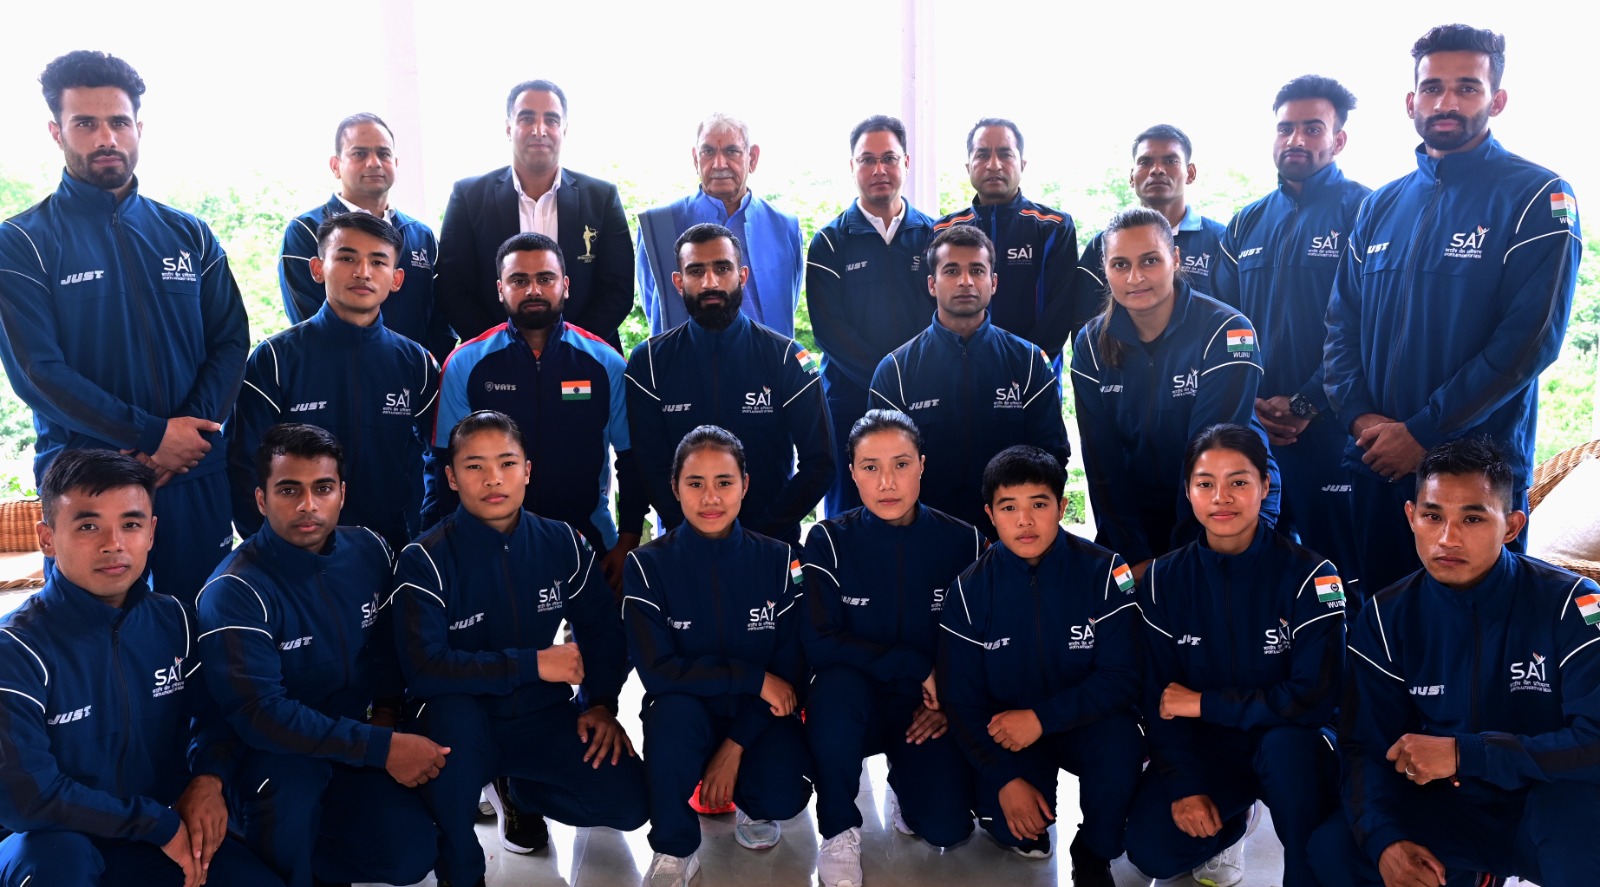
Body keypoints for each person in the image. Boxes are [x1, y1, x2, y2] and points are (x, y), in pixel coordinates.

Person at [1322, 24, 1582, 596]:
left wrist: (1423, 431)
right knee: (1382, 625)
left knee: (1480, 641)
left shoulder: (1538, 197)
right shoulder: (1380, 205)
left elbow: (1528, 341)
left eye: (1467, 87)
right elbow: (1342, 326)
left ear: (1497, 99)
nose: (1446, 102)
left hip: (1476, 473)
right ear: (1410, 101)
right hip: (1377, 465)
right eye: (1433, 87)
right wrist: (1363, 421)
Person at [0, 50, 248, 605]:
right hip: (85, 482)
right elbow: (39, 373)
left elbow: (230, 341)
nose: (104, 137)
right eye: (85, 123)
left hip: (192, 473)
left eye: (117, 122)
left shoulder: (190, 235)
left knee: (202, 628)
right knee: (91, 638)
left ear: (139, 127)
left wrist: (187, 439)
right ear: (56, 131)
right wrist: (149, 437)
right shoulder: (22, 243)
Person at [1308, 437, 1600, 887]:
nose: (1448, 538)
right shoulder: (1387, 615)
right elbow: (1363, 744)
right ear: (1411, 517)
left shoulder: (1573, 605)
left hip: (1548, 801)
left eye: (1472, 518)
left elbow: (1594, 742)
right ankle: (1472, 874)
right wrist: (1384, 841)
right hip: (1449, 807)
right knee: (1334, 850)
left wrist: (1467, 754)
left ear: (1511, 526)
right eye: (1432, 516)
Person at [0, 449, 281, 887]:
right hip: (53, 843)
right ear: (47, 537)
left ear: (151, 533)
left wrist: (209, 778)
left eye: (130, 524)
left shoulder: (176, 620)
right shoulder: (15, 648)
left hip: (153, 832)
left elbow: (216, 720)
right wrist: (156, 824)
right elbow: (27, 799)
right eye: (88, 525)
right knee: (58, 859)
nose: (113, 544)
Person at [392, 411, 647, 887]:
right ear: (450, 476)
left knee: (629, 803)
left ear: (528, 470)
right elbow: (425, 668)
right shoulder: (423, 559)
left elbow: (603, 630)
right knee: (452, 737)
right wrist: (532, 663)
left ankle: (521, 792)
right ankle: (462, 863)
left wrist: (600, 703)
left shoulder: (563, 542)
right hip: (460, 722)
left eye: (507, 463)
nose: (493, 478)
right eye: (474, 466)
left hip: (539, 713)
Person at [198, 424, 440, 887]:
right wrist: (381, 747)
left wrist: (388, 714)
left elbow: (389, 648)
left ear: (342, 494)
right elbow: (260, 715)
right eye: (289, 490)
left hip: (350, 737)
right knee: (292, 798)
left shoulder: (370, 550)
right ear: (261, 500)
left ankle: (313, 855)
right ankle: (260, 847)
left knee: (410, 855)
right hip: (269, 754)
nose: (308, 505)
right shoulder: (235, 590)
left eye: (322, 488)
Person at [1125, 424, 1344, 887]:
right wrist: (1186, 786)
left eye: (1239, 482)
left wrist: (1205, 702)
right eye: (1206, 483)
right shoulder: (1165, 579)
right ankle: (1235, 818)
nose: (1221, 497)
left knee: (1289, 756)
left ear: (1266, 486)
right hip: (1213, 746)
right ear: (1188, 491)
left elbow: (1314, 698)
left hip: (1291, 741)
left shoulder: (1312, 577)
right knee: (1153, 850)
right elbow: (1158, 698)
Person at [938, 446, 1142, 886]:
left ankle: (1093, 848)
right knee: (1016, 833)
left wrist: (1042, 718)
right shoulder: (969, 591)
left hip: (1086, 722)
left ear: (1062, 507)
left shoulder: (1105, 572)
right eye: (1009, 507)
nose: (1025, 521)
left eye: (1039, 505)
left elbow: (1123, 678)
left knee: (1123, 743)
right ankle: (1018, 799)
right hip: (1009, 731)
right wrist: (1005, 777)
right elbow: (960, 700)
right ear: (990, 514)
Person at [802, 410, 985, 887]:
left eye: (901, 464)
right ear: (853, 473)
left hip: (923, 705)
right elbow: (819, 642)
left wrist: (951, 702)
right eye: (870, 467)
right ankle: (840, 828)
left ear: (922, 465)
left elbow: (982, 641)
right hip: (854, 697)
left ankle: (905, 780)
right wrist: (911, 662)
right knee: (834, 692)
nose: (887, 482)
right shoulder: (827, 540)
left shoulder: (963, 540)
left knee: (947, 827)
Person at [623, 426, 813, 887]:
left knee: (783, 794)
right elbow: (659, 672)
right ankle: (674, 848)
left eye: (724, 482)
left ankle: (749, 798)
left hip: (758, 718)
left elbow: (790, 674)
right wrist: (750, 677)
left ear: (745, 485)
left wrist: (734, 748)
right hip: (686, 713)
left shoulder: (782, 560)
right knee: (670, 715)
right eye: (695, 483)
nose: (711, 497)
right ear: (675, 488)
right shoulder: (647, 566)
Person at [1212, 75, 1370, 601]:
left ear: (1338, 139)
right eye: (1285, 128)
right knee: (1264, 569)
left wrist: (1307, 401)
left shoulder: (1368, 213)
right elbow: (1225, 324)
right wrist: (1248, 401)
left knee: (1341, 571)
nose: (1296, 140)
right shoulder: (1246, 222)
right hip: (1255, 429)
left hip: (1333, 432)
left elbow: (1370, 327)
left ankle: (1345, 675)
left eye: (1312, 128)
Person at [1071, 207, 1281, 581]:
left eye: (1149, 260)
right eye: (1120, 264)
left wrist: (1177, 563)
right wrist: (1133, 553)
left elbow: (1211, 457)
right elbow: (1102, 462)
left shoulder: (1230, 331)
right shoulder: (1090, 341)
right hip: (1136, 508)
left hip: (1223, 499)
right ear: (1105, 269)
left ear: (1176, 259)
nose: (1135, 277)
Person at [427, 232, 643, 588]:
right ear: (500, 289)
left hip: (589, 546)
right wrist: (456, 544)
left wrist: (628, 541)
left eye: (545, 278)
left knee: (593, 646)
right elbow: (443, 463)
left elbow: (631, 458)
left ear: (565, 285)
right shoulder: (465, 364)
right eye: (519, 280)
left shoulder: (606, 363)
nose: (533, 290)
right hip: (491, 548)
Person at [228, 212, 439, 554]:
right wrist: (267, 545)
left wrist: (422, 533)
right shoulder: (275, 359)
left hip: (393, 550)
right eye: (346, 258)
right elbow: (243, 464)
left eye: (378, 261)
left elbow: (439, 459)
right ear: (317, 267)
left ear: (397, 278)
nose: (362, 272)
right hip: (295, 553)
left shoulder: (417, 362)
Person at [625, 223, 834, 546]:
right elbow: (649, 466)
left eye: (722, 268)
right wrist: (697, 532)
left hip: (772, 545)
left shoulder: (788, 358)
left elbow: (820, 463)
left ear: (743, 276)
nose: (710, 282)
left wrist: (758, 535)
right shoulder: (648, 362)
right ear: (679, 283)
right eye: (696, 271)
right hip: (685, 547)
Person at [869, 225, 1069, 540]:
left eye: (977, 270)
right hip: (924, 539)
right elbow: (883, 469)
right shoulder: (894, 370)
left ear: (994, 282)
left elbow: (1052, 455)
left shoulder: (1029, 362)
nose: (965, 281)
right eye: (952, 271)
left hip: (1009, 541)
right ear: (932, 284)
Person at [435, 79, 633, 350]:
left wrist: (567, 348)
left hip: (585, 357)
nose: (539, 130)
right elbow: (453, 289)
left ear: (564, 129)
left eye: (551, 120)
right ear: (508, 128)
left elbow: (617, 289)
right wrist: (503, 348)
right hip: (493, 361)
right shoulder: (469, 196)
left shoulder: (601, 197)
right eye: (527, 118)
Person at [806, 115, 937, 515]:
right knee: (848, 517)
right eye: (867, 160)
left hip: (924, 397)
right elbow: (830, 331)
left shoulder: (936, 235)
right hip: (849, 402)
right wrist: (889, 385)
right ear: (852, 167)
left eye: (889, 158)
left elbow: (943, 317)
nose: (879, 169)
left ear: (906, 162)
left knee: (924, 511)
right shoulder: (828, 242)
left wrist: (910, 384)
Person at [278, 112, 454, 362]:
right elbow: (307, 318)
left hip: (414, 384)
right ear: (335, 166)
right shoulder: (307, 229)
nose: (374, 162)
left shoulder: (421, 234)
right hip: (335, 377)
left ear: (395, 162)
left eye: (383, 154)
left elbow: (441, 318)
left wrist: (425, 369)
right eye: (359, 154)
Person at [638, 113, 802, 337]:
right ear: (696, 159)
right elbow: (654, 305)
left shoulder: (784, 227)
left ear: (752, 158)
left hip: (768, 364)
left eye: (731, 151)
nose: (719, 163)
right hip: (685, 363)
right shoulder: (658, 226)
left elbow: (787, 303)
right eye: (708, 152)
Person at [933, 118, 1079, 361]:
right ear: (968, 166)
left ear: (1022, 164)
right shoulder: (942, 230)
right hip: (959, 369)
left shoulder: (1053, 226)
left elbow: (1060, 313)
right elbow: (934, 308)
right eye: (982, 155)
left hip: (1034, 374)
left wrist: (1023, 365)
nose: (993, 165)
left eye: (1005, 154)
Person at [1074, 124, 1226, 333]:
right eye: (1145, 162)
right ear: (1131, 176)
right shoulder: (1102, 244)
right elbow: (1085, 324)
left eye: (1170, 160)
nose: (1156, 170)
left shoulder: (1222, 240)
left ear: (1190, 173)